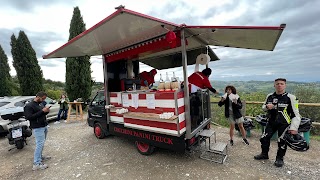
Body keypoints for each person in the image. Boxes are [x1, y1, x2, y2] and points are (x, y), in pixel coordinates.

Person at [254, 78, 301, 167]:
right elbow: (263, 107)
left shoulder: (291, 97)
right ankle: (264, 154)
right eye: (277, 84)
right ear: (274, 85)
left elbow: (296, 114)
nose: (279, 85)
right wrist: (267, 107)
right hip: (271, 122)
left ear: (285, 85)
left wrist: (294, 127)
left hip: (284, 123)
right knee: (264, 138)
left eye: (282, 84)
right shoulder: (270, 96)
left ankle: (279, 159)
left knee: (282, 141)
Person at [24, 91, 51, 170]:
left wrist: (46, 112)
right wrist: (42, 111)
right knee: (39, 144)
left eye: (44, 99)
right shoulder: (29, 106)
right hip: (37, 127)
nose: (43, 100)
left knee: (41, 143)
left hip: (44, 125)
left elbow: (41, 114)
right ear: (38, 97)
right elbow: (29, 117)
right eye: (42, 98)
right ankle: (36, 163)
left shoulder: (40, 104)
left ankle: (40, 157)